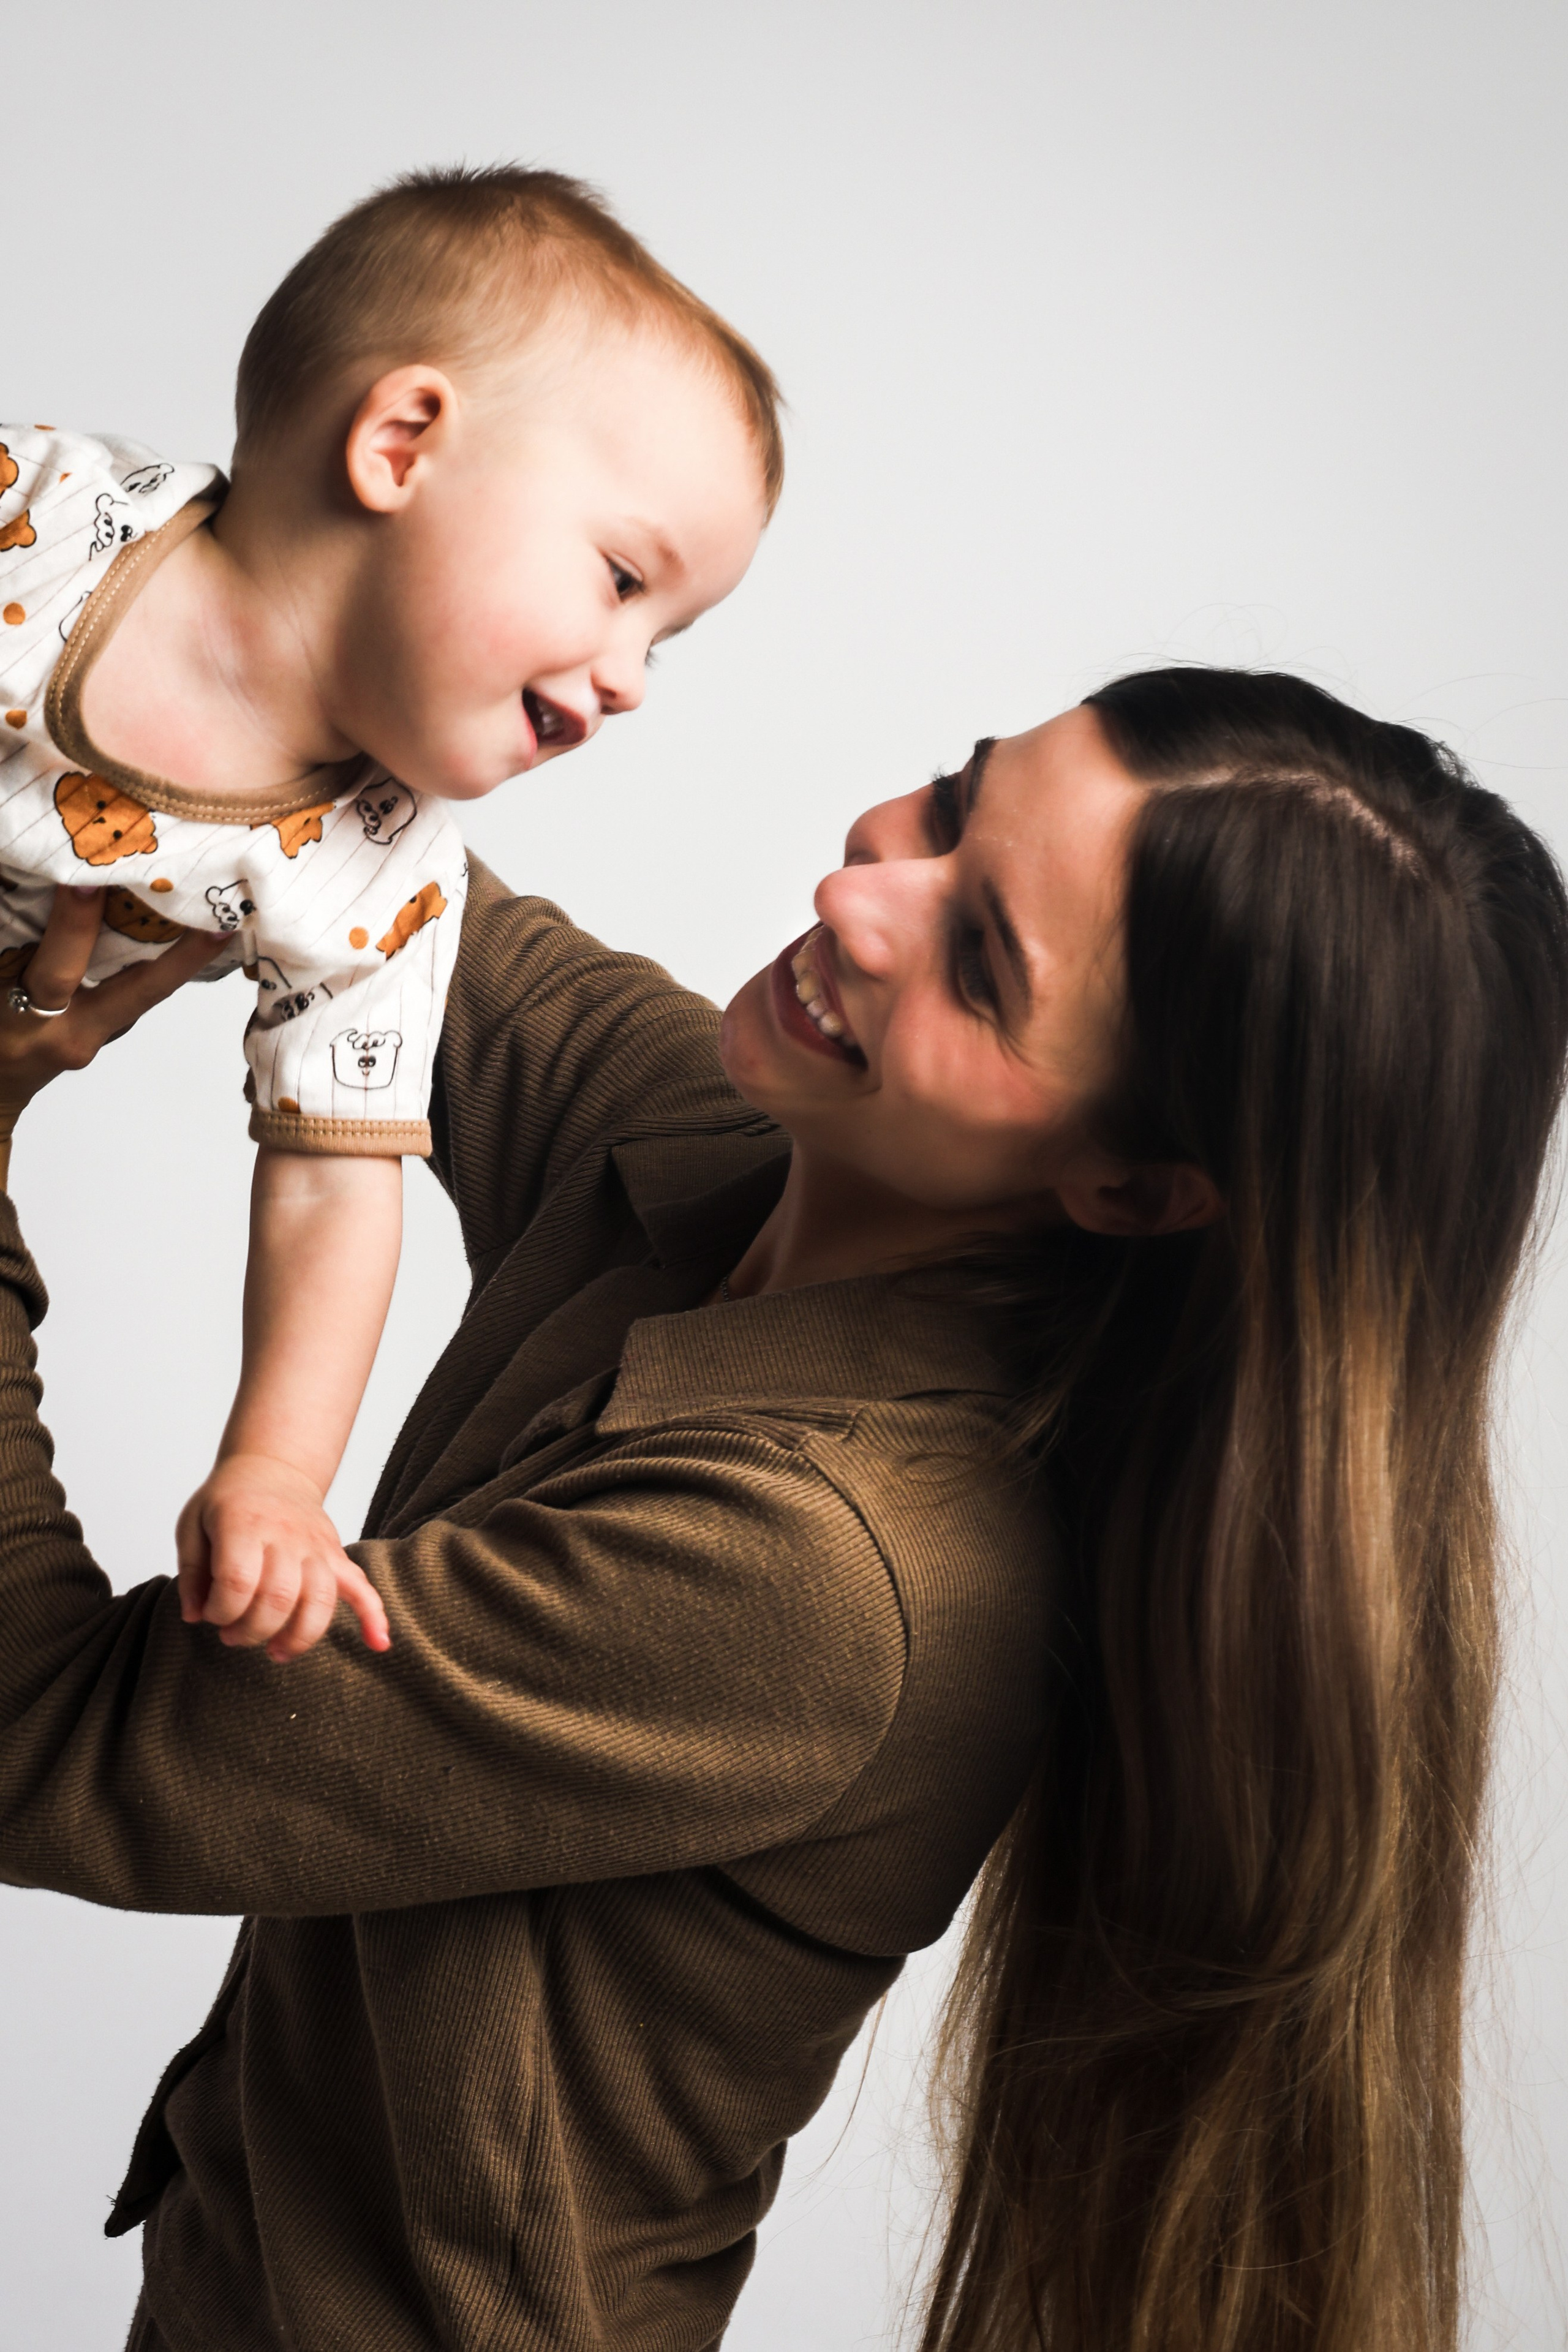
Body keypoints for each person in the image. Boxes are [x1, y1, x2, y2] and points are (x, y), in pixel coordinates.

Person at [0, 668, 1561, 2352]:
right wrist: (126, 643)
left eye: (982, 963)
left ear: (1125, 1186)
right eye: (951, 806)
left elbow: (41, 1737)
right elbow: (364, 872)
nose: (858, 895)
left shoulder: (819, 1574)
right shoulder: (726, 1154)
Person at [0, 164, 775, 1664]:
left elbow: (332, 1177)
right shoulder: (44, 519)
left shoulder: (377, 871)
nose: (628, 681)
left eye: (663, 643)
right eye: (622, 580)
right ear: (400, 444)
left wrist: (276, 1473)